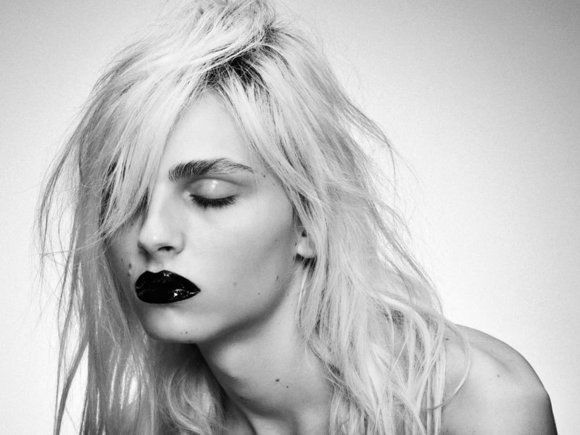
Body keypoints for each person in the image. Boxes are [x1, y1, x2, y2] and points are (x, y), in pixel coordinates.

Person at [38, 0, 556, 433]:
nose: (152, 235)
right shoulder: (139, 426)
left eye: (211, 194)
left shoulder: (479, 404)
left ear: (308, 219)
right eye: (121, 197)